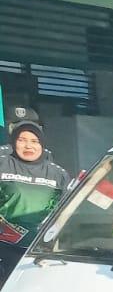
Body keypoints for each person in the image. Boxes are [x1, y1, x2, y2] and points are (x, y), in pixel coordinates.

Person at [0, 107, 71, 265]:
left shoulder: (57, 173)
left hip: (41, 251)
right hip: (5, 248)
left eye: (34, 141)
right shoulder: (3, 164)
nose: (28, 146)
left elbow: (64, 213)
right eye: (22, 140)